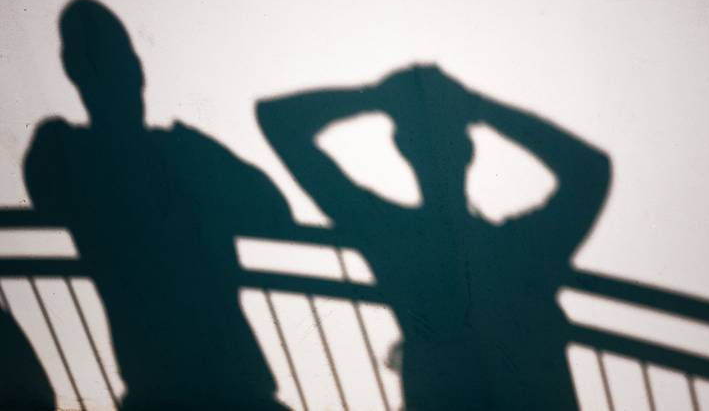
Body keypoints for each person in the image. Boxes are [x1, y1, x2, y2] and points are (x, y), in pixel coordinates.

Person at [257, 65, 611, 409]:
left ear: (403, 149)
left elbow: (278, 120)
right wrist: (477, 106)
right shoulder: (525, 244)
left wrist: (378, 98)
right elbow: (589, 169)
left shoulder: (388, 234)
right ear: (469, 151)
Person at [24, 0, 291, 410]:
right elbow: (275, 213)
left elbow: (44, 192)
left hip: (156, 389)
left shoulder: (63, 150)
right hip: (236, 386)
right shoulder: (183, 150)